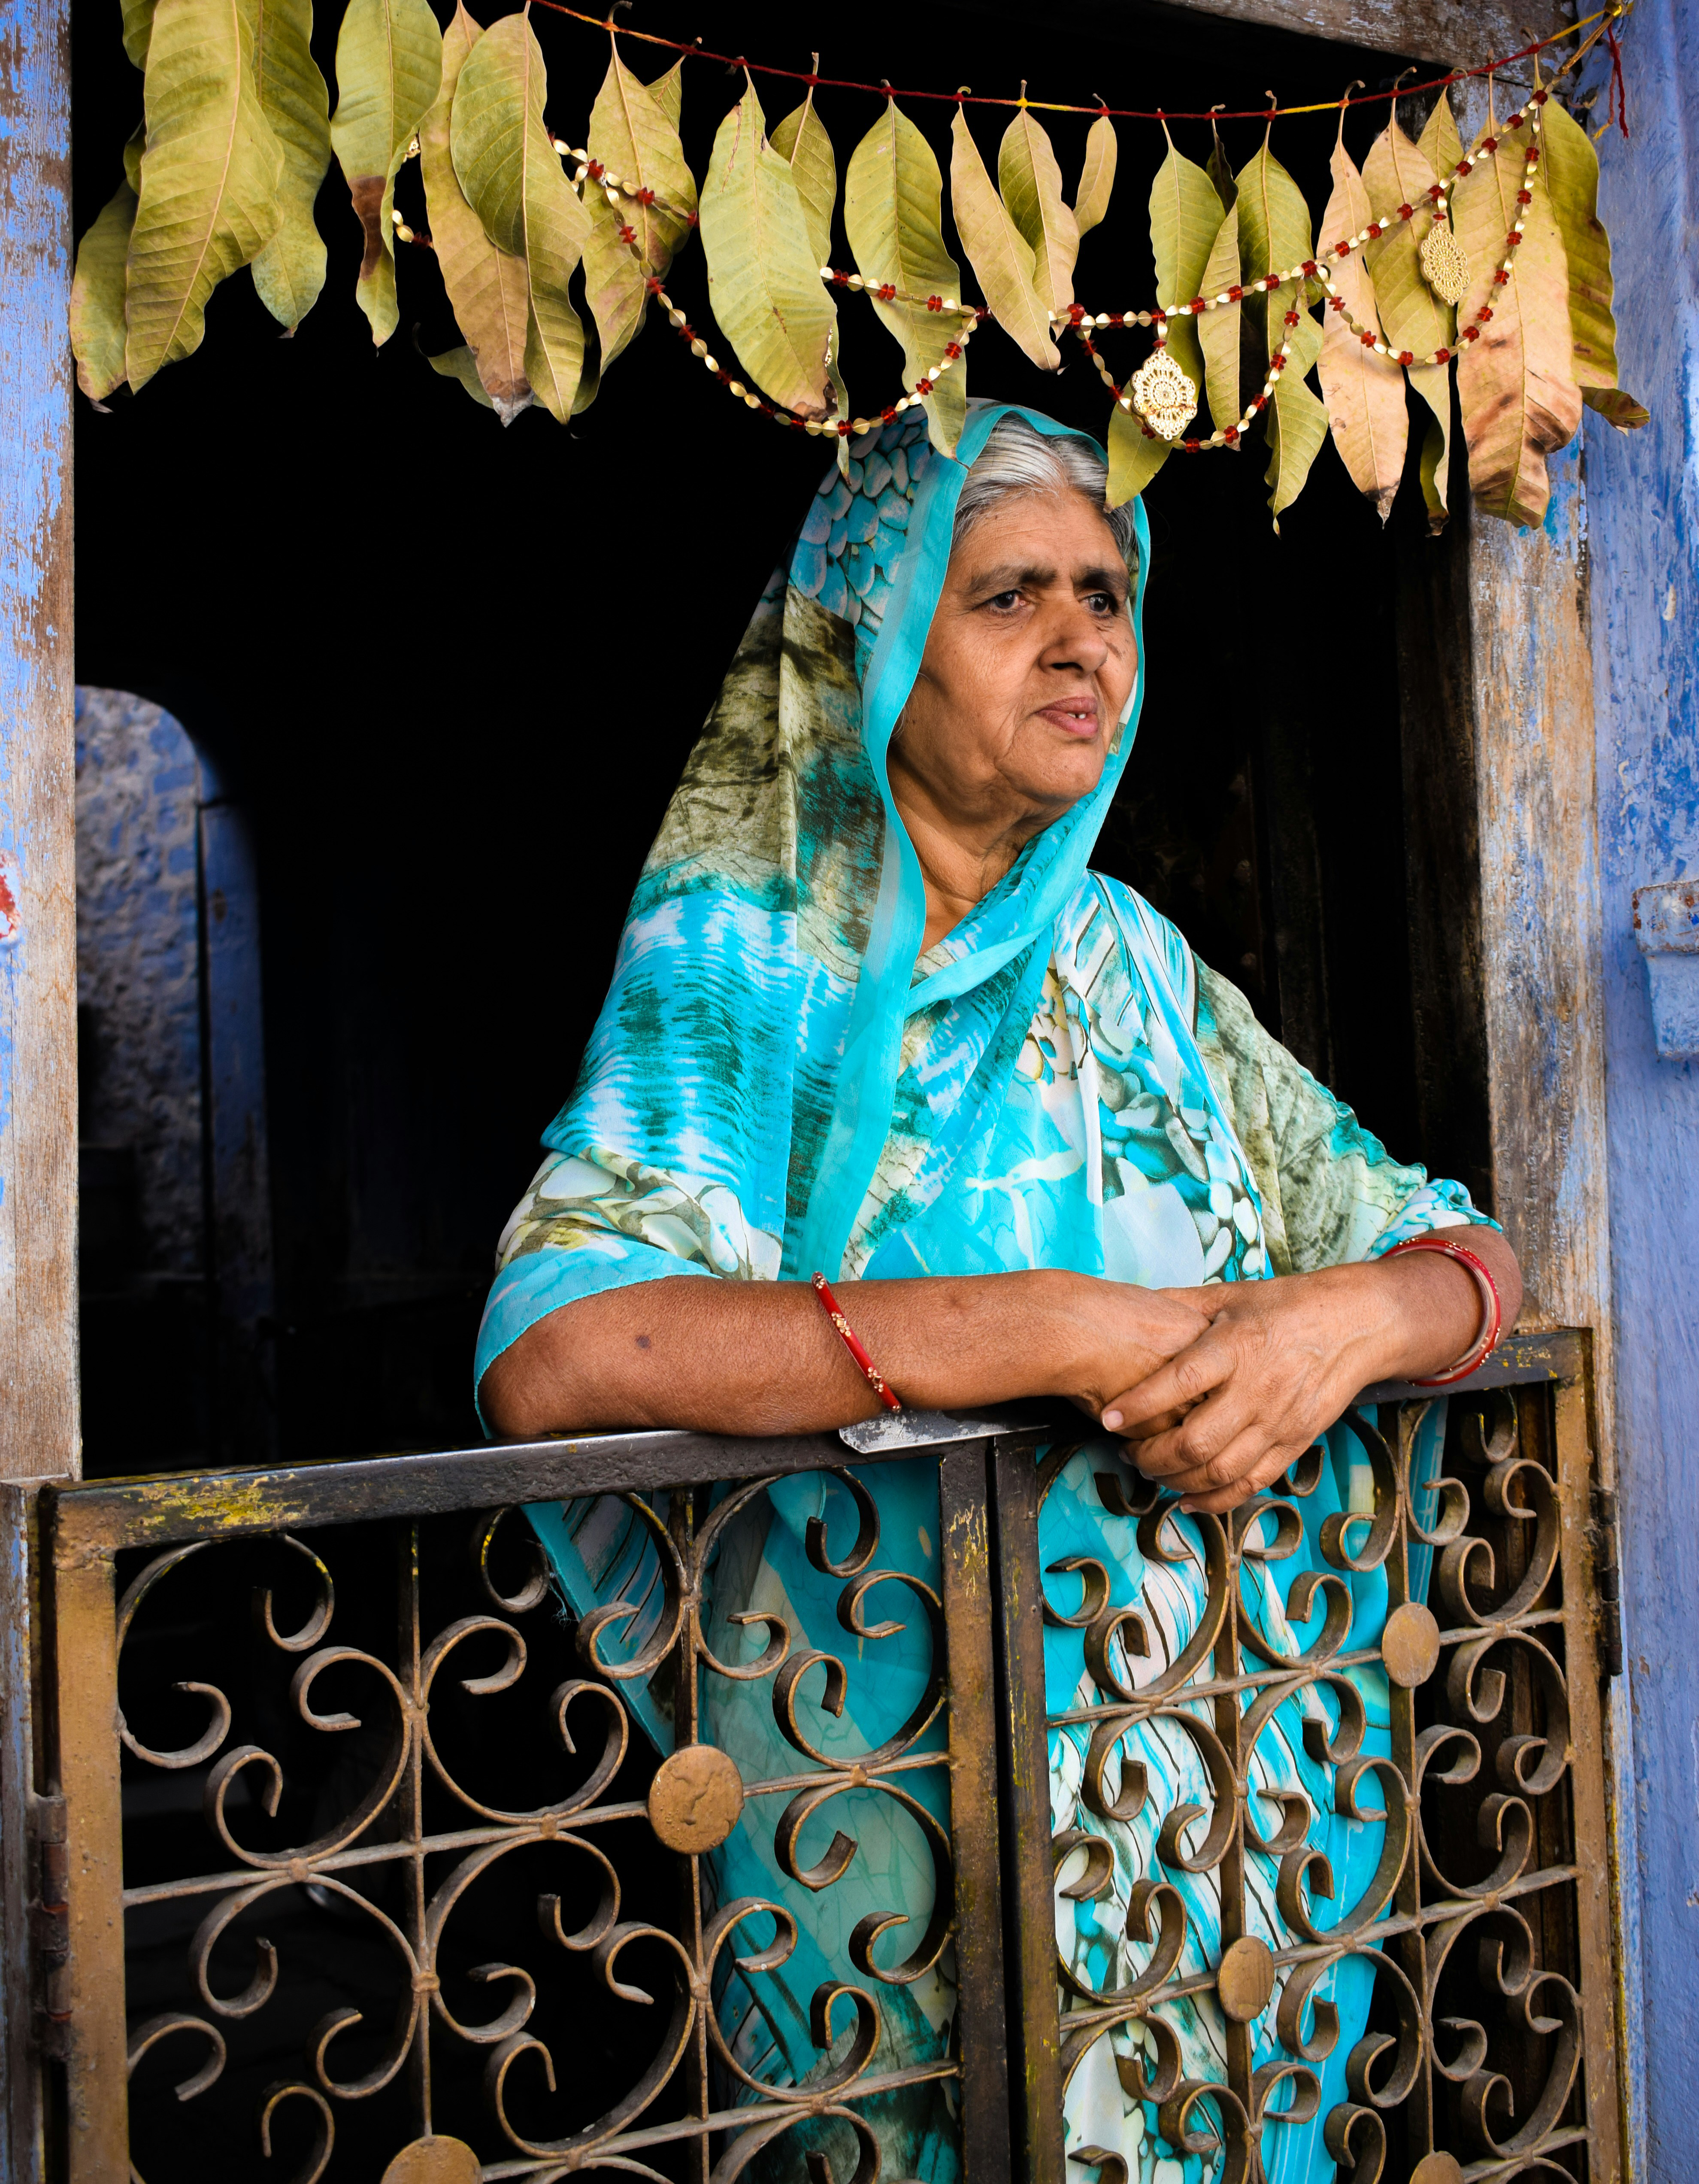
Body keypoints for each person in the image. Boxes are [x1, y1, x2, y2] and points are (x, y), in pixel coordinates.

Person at [476, 400, 1519, 2183]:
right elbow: (561, 1349)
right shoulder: (751, 961)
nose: (1078, 643)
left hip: (1223, 1810)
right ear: (875, 642)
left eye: (1103, 596)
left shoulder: (1131, 962)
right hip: (903, 1835)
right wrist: (1036, 1325)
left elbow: (1447, 1248)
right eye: (1007, 598)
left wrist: (1343, 1323)